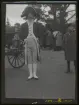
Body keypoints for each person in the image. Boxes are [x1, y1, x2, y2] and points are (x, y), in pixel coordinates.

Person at [19, 6, 45, 80]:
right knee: (29, 59)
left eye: (32, 15)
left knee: (34, 58)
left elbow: (41, 33)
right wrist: (24, 39)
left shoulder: (37, 25)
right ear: (27, 16)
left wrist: (38, 38)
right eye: (29, 15)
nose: (31, 17)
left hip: (35, 43)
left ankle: (35, 74)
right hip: (27, 43)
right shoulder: (23, 25)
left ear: (34, 16)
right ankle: (30, 74)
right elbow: (20, 34)